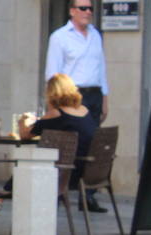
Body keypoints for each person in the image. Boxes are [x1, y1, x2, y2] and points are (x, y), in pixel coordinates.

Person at [19, 72, 99, 202]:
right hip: (88, 170)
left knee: (25, 167)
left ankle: (9, 193)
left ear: (52, 93)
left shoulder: (56, 113)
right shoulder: (84, 110)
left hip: (66, 172)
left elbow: (25, 135)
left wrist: (22, 120)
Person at [45, 0, 107, 125]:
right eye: (83, 8)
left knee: (92, 140)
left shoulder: (95, 35)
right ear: (72, 11)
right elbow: (52, 74)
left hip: (95, 95)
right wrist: (52, 107)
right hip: (72, 95)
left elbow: (101, 68)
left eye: (91, 8)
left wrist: (105, 99)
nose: (88, 12)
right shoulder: (59, 37)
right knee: (73, 139)